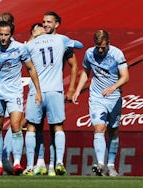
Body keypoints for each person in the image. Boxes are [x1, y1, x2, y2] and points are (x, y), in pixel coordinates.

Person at [0, 21, 42, 176]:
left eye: (6, 34)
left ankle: (16, 163)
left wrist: (38, 91)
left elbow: (31, 68)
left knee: (16, 126)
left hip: (14, 93)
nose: (3, 37)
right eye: (0, 34)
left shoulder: (20, 48)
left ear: (11, 35)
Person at [22, 22, 83, 176]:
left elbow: (23, 59)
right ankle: (59, 163)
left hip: (36, 91)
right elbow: (80, 45)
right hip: (55, 91)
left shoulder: (30, 45)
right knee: (57, 126)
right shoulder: (60, 39)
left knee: (32, 127)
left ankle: (30, 166)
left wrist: (32, 38)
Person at [72, 30, 129, 176]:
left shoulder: (117, 54)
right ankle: (101, 164)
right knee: (99, 128)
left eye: (103, 47)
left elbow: (125, 76)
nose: (100, 50)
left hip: (114, 97)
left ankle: (110, 165)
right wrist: (78, 90)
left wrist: (113, 87)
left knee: (113, 131)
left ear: (108, 43)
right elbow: (86, 72)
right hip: (97, 97)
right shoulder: (90, 53)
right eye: (98, 47)